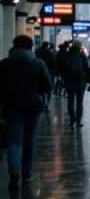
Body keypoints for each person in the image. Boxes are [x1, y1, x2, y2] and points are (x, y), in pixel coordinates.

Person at [0, 35, 52, 190]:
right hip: (32, 108)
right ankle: (27, 173)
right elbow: (47, 86)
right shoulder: (38, 64)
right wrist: (37, 93)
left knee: (13, 141)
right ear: (31, 47)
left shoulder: (4, 64)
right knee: (29, 140)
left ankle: (14, 169)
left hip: (11, 107)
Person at [63, 40, 89, 127]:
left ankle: (72, 119)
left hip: (69, 81)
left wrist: (64, 78)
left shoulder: (67, 55)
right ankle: (78, 121)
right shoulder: (82, 55)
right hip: (80, 81)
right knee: (79, 102)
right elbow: (86, 67)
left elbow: (63, 68)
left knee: (70, 101)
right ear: (80, 47)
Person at [34, 41, 58, 110]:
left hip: (40, 72)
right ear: (48, 46)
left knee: (41, 88)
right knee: (48, 88)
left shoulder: (38, 52)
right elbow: (54, 63)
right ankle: (46, 103)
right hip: (50, 72)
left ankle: (43, 102)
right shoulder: (51, 53)